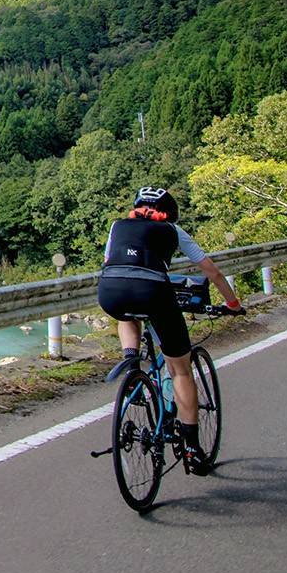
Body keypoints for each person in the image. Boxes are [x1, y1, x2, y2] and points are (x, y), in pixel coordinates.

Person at [96, 187, 242, 475]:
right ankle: (192, 450)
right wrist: (233, 303)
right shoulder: (172, 230)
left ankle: (132, 365)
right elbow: (211, 271)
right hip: (153, 292)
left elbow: (112, 263)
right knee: (181, 372)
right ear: (170, 212)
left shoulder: (117, 226)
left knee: (128, 310)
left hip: (110, 291)